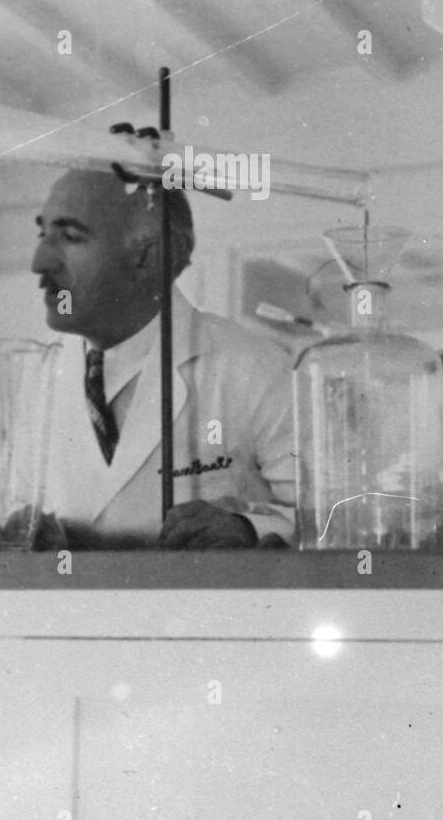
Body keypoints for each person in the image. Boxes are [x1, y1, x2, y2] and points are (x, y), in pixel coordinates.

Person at [29, 166, 295, 549]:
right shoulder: (37, 372)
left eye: (70, 236)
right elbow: (12, 517)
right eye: (44, 234)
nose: (39, 262)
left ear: (147, 256)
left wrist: (246, 527)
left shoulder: (254, 368)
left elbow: (333, 518)